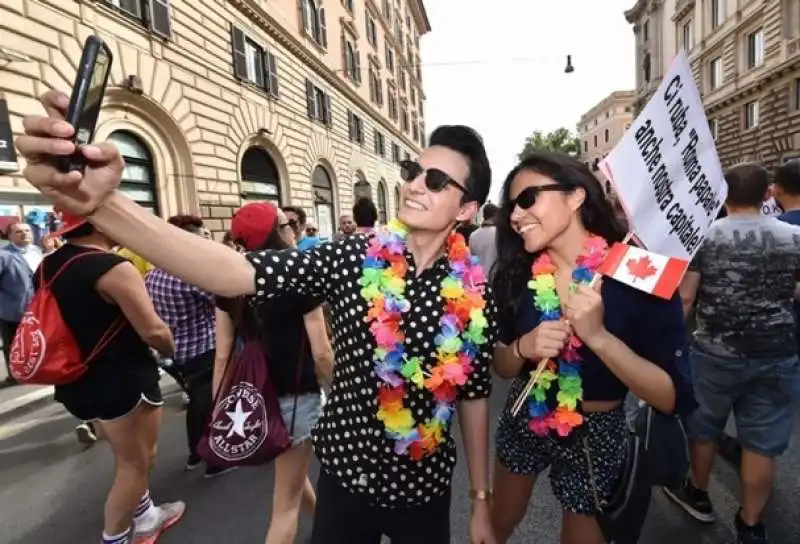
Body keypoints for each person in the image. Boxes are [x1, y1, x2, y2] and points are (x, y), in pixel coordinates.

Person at [16, 96, 497, 543]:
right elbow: (235, 271)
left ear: (468, 208)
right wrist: (104, 205)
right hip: (348, 479)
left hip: (426, 487)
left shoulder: (475, 298)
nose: (414, 184)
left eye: (435, 181)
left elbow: (472, 398)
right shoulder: (354, 257)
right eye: (414, 170)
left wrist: (479, 499)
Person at [490, 153, 694, 544]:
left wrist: (598, 337)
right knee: (497, 527)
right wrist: (522, 348)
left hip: (597, 433)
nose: (515, 215)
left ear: (575, 197)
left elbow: (670, 397)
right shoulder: (517, 272)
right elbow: (501, 365)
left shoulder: (642, 274)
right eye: (511, 204)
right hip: (526, 415)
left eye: (528, 198)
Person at [670, 163, 800, 543]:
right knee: (761, 444)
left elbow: (687, 298)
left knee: (704, 429)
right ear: (767, 194)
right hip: (777, 352)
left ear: (722, 196)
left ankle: (698, 492)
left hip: (715, 353)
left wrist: (671, 346)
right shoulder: (794, 237)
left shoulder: (705, 238)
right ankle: (751, 521)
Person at [38, 211, 184, 543]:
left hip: (75, 377)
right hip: (123, 380)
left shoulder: (49, 264)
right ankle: (116, 537)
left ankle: (147, 515)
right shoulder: (113, 267)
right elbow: (153, 330)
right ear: (102, 224)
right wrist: (174, 349)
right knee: (138, 463)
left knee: (124, 456)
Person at [215, 201, 333, 544]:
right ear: (279, 233)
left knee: (292, 479)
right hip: (297, 395)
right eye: (286, 225)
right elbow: (322, 351)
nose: (292, 230)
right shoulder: (299, 276)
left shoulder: (228, 282)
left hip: (252, 400)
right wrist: (342, 389)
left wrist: (220, 408)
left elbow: (222, 355)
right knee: (284, 508)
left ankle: (328, 528)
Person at [145, 214, 228, 478]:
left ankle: (195, 454)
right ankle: (212, 460)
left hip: (176, 350)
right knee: (208, 403)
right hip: (202, 347)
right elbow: (223, 301)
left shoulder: (154, 275)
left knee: (197, 401)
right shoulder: (190, 276)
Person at [0, 222, 41, 386]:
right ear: (10, 236)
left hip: (37, 308)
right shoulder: (3, 255)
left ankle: (35, 370)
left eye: (27, 230)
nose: (24, 234)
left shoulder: (36, 251)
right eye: (18, 232)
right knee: (13, 344)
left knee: (35, 341)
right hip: (11, 309)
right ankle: (15, 375)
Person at [468, 203, 498, 279]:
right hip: (496, 278)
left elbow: (472, 260)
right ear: (495, 216)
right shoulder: (499, 234)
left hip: (478, 279)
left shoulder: (473, 235)